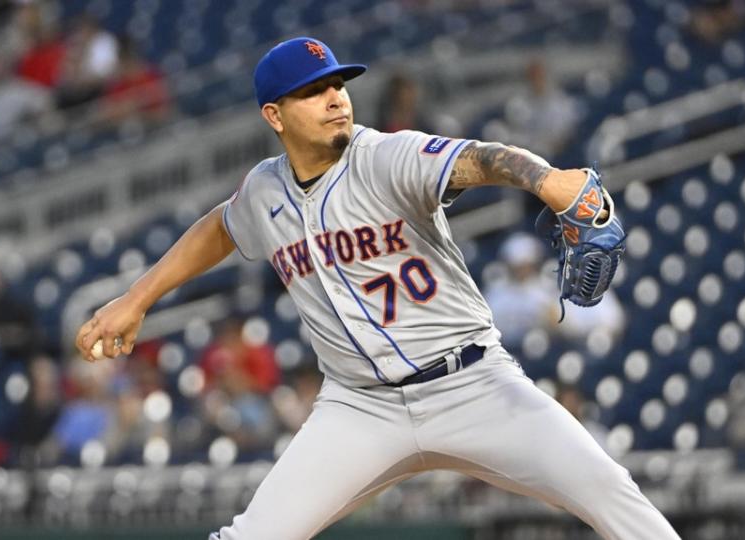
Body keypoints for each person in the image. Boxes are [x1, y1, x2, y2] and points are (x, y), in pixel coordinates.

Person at [75, 37, 679, 540]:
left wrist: (544, 180)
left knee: (610, 492)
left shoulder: (387, 156)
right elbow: (220, 227)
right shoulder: (265, 191)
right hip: (360, 408)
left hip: (473, 385)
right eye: (313, 91)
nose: (335, 98)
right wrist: (136, 299)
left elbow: (480, 158)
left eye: (338, 84)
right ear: (274, 115)